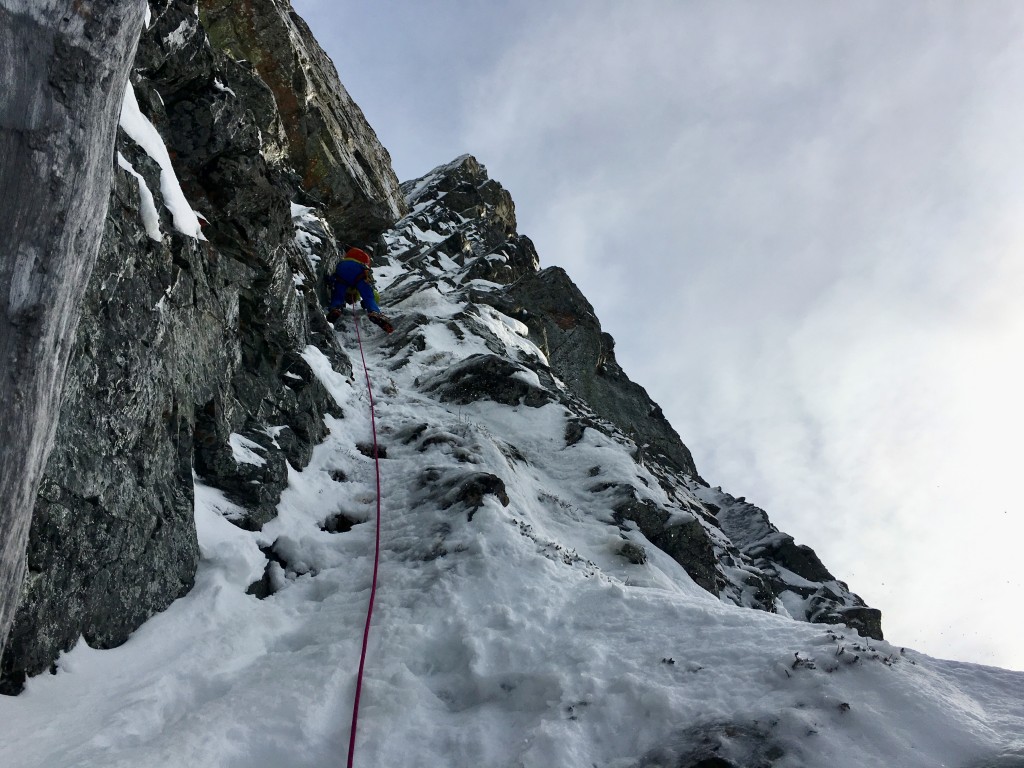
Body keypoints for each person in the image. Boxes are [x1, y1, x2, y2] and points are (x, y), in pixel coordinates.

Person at [326, 247, 394, 333]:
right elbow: (371, 295)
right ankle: (374, 312)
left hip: (342, 268)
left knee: (338, 295)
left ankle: (335, 308)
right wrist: (365, 304)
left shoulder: (348, 257)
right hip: (360, 270)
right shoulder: (364, 261)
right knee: (369, 297)